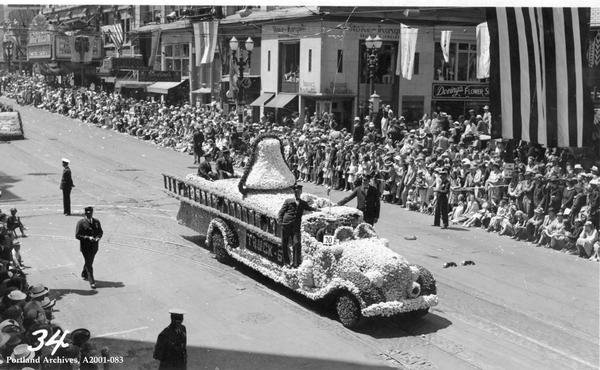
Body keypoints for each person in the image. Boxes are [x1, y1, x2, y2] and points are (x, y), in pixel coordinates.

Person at [277, 184, 316, 267]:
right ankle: (286, 262)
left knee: (296, 243)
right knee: (285, 243)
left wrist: (317, 209)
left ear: (301, 192)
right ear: (294, 192)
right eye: (296, 192)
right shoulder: (288, 201)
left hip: (296, 226)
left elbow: (309, 208)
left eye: (299, 192)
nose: (297, 193)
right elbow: (281, 212)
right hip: (286, 224)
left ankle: (295, 263)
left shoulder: (303, 203)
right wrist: (280, 222)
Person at [75, 207, 103, 289]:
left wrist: (98, 237)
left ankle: (84, 273)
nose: (89, 215)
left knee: (89, 262)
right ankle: (92, 281)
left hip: (94, 247)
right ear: (85, 214)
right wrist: (88, 238)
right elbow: (77, 235)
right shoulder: (80, 223)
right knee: (89, 263)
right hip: (85, 247)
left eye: (90, 214)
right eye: (87, 214)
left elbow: (100, 232)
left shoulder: (96, 222)